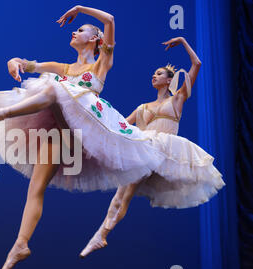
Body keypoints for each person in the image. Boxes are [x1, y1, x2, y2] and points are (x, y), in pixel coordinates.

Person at [0, 5, 168, 269]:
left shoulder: (101, 63)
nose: (74, 31)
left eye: (80, 29)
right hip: (61, 135)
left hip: (87, 132)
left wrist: (79, 8)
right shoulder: (62, 67)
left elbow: (110, 19)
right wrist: (14, 62)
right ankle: (20, 244)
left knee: (54, 87)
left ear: (95, 40)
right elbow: (29, 64)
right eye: (76, 28)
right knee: (35, 187)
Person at [79, 37, 225, 257]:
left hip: (161, 149)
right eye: (153, 74)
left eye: (159, 74)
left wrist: (183, 42)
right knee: (122, 195)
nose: (154, 76)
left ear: (168, 81)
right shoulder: (142, 107)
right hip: (142, 148)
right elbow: (119, 125)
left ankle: (100, 235)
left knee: (124, 193)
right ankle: (101, 235)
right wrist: (95, 112)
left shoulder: (177, 100)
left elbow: (197, 65)